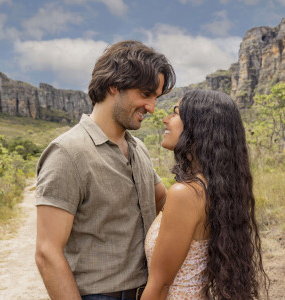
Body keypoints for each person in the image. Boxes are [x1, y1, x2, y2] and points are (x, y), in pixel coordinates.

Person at [35, 40, 176, 300]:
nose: (152, 108)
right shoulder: (68, 152)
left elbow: (163, 201)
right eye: (146, 94)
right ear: (114, 85)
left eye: (155, 98)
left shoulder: (139, 149)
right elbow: (47, 252)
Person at [142, 89, 269, 300]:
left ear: (198, 126)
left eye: (175, 113)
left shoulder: (186, 194)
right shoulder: (216, 189)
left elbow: (160, 285)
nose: (165, 119)